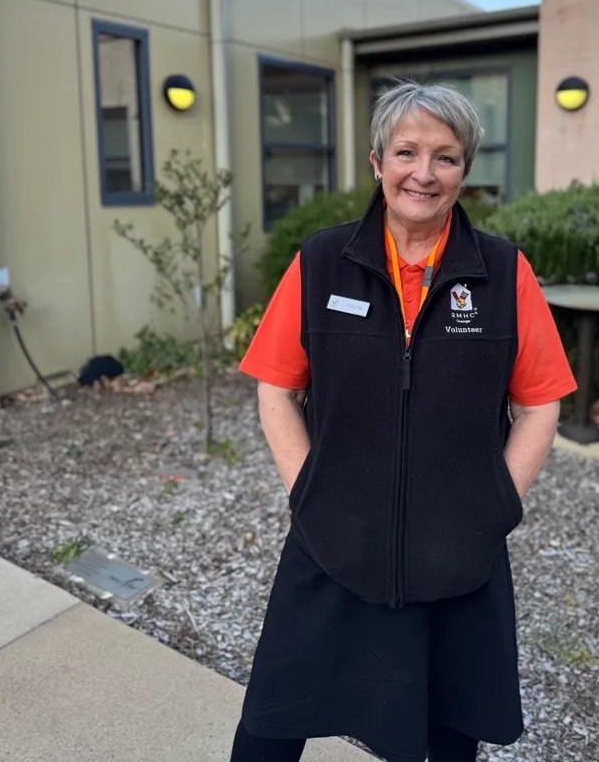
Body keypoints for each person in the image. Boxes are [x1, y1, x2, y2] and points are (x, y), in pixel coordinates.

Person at [231, 80, 577, 762]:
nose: (424, 173)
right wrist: (310, 491)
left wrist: (494, 506)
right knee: (271, 725)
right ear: (376, 162)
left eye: (446, 157)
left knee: (446, 734)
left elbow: (540, 403)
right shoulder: (321, 262)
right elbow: (276, 390)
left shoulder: (505, 273)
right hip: (331, 544)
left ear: (465, 171)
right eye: (407, 152)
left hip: (457, 556)